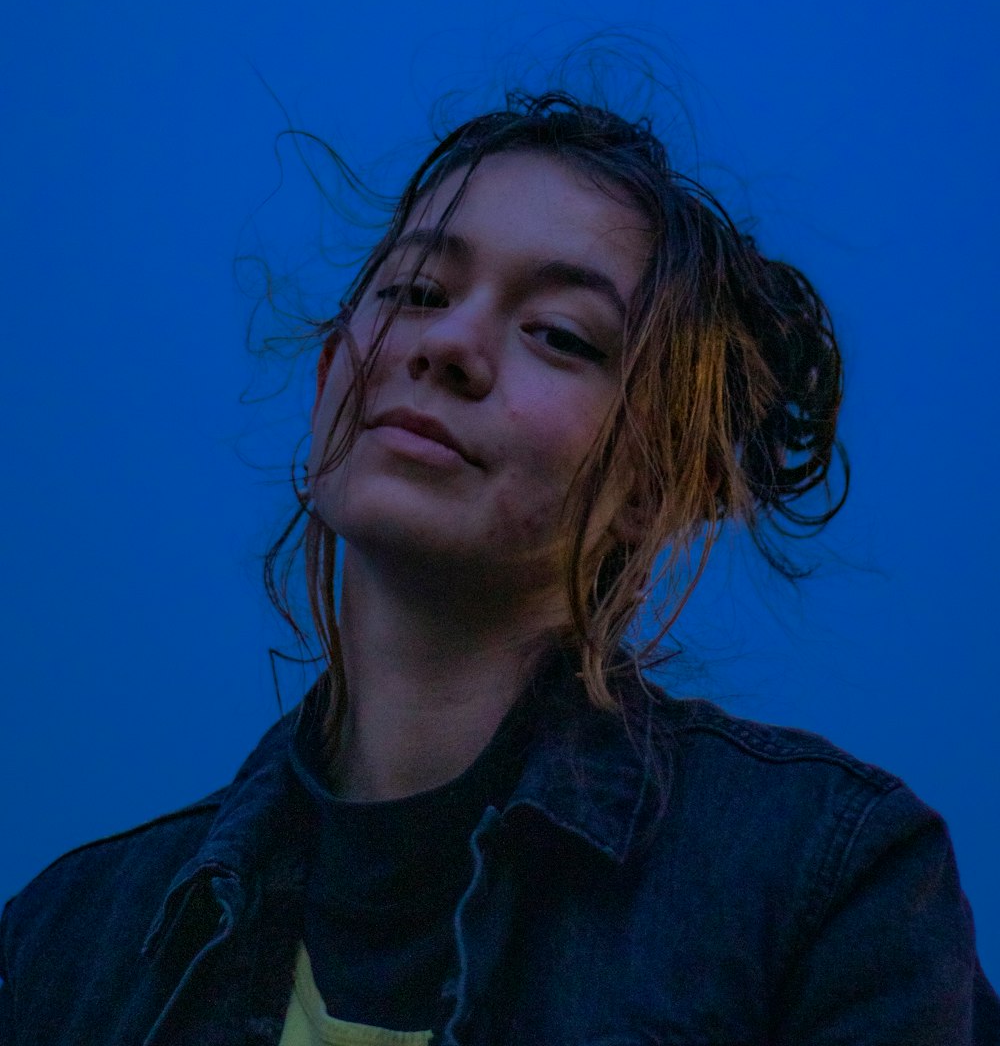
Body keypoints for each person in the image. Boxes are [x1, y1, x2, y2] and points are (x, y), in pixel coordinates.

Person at [1, 88, 997, 1045]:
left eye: (559, 334)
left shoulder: (824, 882)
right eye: (416, 290)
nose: (448, 344)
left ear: (656, 481)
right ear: (327, 373)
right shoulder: (66, 939)